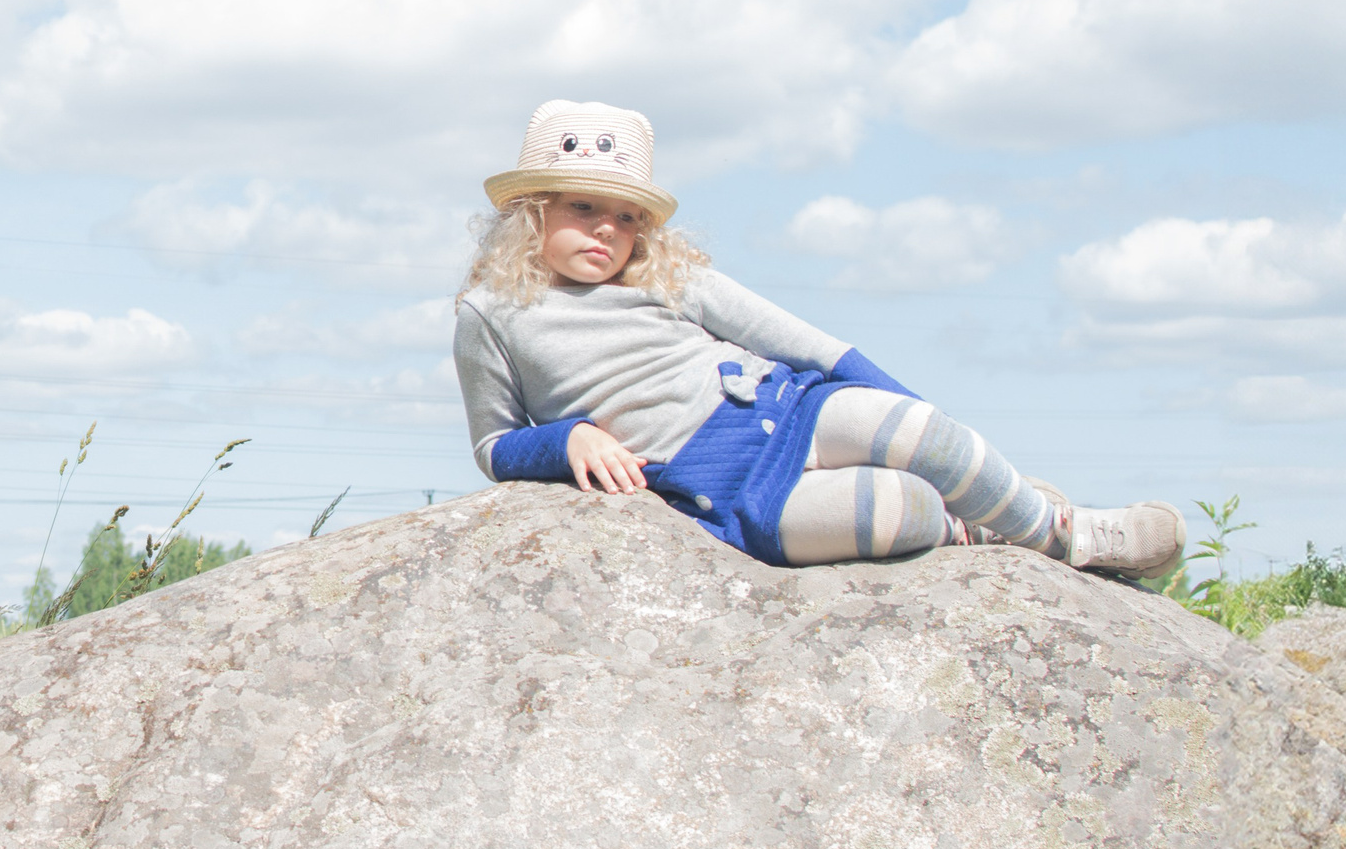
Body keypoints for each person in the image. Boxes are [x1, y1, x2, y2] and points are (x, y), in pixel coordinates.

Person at [452, 99, 1186, 580]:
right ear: (533, 211)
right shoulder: (490, 312)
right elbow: (494, 445)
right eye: (585, 208)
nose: (609, 229)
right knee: (905, 512)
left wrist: (928, 429)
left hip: (782, 409)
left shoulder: (667, 275)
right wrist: (568, 437)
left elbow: (813, 346)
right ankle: (984, 526)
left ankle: (1066, 534)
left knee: (916, 437)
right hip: (716, 489)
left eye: (626, 215)